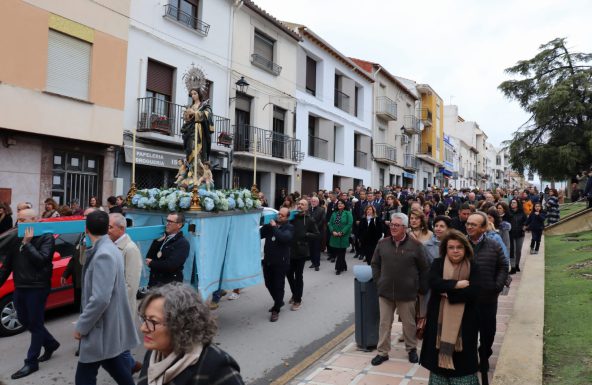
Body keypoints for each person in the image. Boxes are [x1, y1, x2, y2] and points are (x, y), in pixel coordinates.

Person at [74, 210, 140, 385]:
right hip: (105, 328)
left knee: (84, 377)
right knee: (116, 367)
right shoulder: (108, 248)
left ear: (86, 229)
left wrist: (82, 326)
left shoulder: (104, 253)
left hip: (100, 327)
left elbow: (101, 298)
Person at [137, 283, 245, 385]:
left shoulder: (215, 367)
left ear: (180, 324)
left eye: (153, 321)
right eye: (144, 319)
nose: (143, 328)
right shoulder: (154, 354)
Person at [0, 209, 60, 379]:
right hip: (20, 286)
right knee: (25, 321)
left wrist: (27, 244)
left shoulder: (46, 237)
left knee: (35, 323)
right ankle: (50, 343)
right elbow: (7, 266)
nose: (18, 223)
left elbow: (42, 260)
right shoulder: (16, 236)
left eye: (22, 220)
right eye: (18, 219)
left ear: (34, 220)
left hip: (37, 287)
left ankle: (31, 363)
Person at [419, 230, 481, 385]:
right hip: (438, 320)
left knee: (462, 364)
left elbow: (474, 291)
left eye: (459, 247)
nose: (455, 251)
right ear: (445, 249)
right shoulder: (438, 264)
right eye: (451, 247)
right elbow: (433, 282)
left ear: (466, 248)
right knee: (438, 363)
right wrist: (456, 284)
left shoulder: (473, 266)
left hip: (465, 323)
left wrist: (449, 293)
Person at [371, 213, 430, 365]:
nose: (393, 228)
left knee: (409, 324)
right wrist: (379, 281)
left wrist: (421, 288)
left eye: (397, 225)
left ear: (405, 227)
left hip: (407, 292)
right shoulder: (382, 243)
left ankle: (411, 350)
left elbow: (424, 269)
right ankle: (382, 352)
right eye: (391, 225)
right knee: (384, 323)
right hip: (385, 292)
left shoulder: (416, 246)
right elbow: (375, 264)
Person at [465, 212, 508, 385]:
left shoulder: (494, 244)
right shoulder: (461, 244)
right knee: (468, 332)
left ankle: (484, 356)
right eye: (468, 223)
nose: (469, 227)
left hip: (488, 299)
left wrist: (496, 286)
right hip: (467, 300)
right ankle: (469, 361)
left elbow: (504, 266)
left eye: (473, 224)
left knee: (488, 333)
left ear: (483, 228)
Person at [108, 213, 143, 373]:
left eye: (110, 227)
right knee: (117, 339)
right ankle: (130, 365)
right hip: (111, 303)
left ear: (121, 229)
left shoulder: (130, 249)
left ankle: (129, 367)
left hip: (120, 305)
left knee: (120, 339)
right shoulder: (110, 245)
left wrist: (120, 308)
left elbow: (130, 284)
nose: (106, 230)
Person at [260, 207, 294, 322]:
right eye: (279, 214)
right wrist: (265, 224)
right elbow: (259, 234)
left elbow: (284, 238)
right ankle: (279, 301)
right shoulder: (271, 226)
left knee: (279, 286)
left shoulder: (289, 227)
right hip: (268, 260)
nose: (279, 216)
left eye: (282, 215)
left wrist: (274, 227)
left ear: (287, 217)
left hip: (281, 262)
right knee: (268, 283)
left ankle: (276, 309)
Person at [287, 199, 319, 311]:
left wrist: (306, 235)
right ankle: (294, 293)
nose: (300, 206)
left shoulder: (309, 219)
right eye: (299, 204)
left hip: (301, 251)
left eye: (303, 204)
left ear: (307, 207)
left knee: (298, 275)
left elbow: (316, 234)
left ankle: (297, 300)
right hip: (289, 250)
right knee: (289, 274)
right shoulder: (292, 217)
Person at [146, 212, 191, 287]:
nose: (167, 223)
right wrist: (157, 242)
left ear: (179, 225)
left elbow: (171, 265)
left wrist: (152, 263)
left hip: (170, 285)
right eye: (167, 221)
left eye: (170, 222)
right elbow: (149, 257)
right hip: (154, 282)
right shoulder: (162, 237)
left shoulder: (183, 243)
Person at [182, 87, 213, 164]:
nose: (193, 96)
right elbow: (187, 119)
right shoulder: (190, 106)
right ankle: (191, 169)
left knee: (197, 149)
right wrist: (187, 115)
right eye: (192, 94)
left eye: (195, 93)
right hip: (190, 130)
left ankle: (198, 169)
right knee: (190, 148)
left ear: (199, 94)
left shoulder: (204, 106)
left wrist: (195, 113)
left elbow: (208, 115)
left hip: (200, 131)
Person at [327, 199, 353, 275]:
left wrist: (342, 232)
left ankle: (338, 268)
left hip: (343, 235)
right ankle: (344, 265)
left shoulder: (348, 213)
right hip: (335, 235)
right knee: (338, 252)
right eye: (339, 203)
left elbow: (349, 224)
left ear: (345, 205)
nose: (340, 205)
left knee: (341, 252)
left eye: (342, 203)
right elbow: (330, 223)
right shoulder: (334, 213)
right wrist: (333, 231)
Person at [508, 199, 527, 274]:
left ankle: (517, 265)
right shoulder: (508, 213)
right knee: (512, 251)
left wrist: (525, 226)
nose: (512, 204)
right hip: (510, 234)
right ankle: (512, 267)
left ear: (517, 204)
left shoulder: (522, 213)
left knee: (518, 251)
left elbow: (526, 221)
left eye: (514, 202)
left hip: (520, 234)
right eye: (511, 202)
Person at [308, 196, 325, 271]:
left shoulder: (321, 210)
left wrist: (315, 228)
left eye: (314, 201)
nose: (313, 202)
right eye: (312, 201)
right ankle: (313, 262)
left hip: (317, 232)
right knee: (311, 248)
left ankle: (317, 264)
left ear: (317, 202)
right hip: (309, 232)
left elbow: (322, 220)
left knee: (316, 249)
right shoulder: (308, 209)